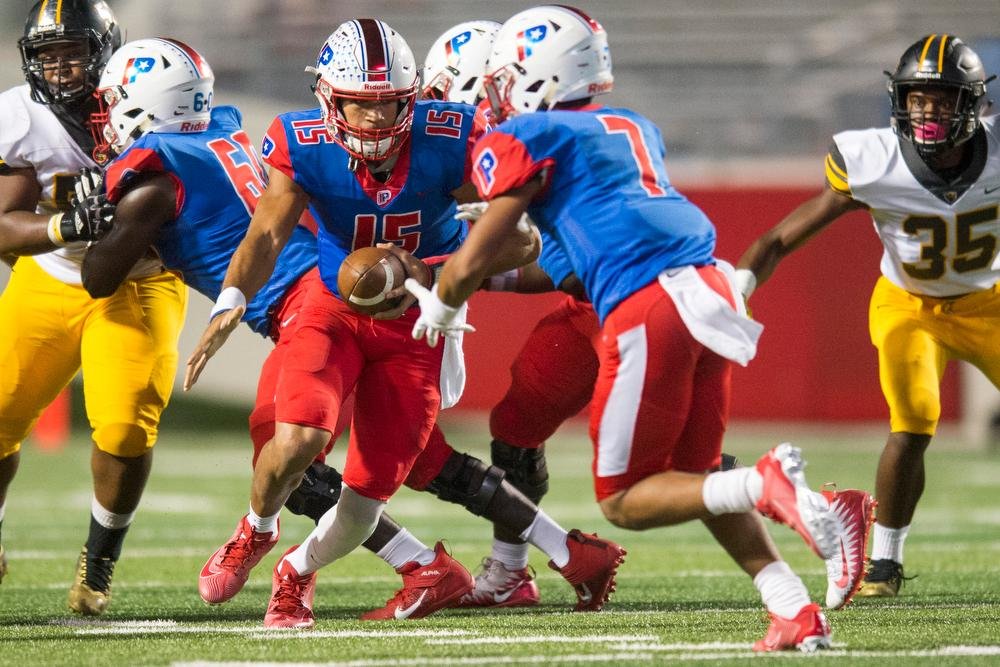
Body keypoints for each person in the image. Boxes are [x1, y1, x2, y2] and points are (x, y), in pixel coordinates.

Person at [406, 5, 846, 652]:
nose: (493, 98)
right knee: (698, 478)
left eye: (501, 83)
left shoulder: (527, 136)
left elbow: (492, 249)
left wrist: (443, 297)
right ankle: (794, 609)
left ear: (532, 78)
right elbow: (573, 254)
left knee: (624, 498)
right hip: (707, 287)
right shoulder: (630, 125)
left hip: (644, 304)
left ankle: (765, 480)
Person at [184, 18, 625, 628]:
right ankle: (256, 529)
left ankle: (295, 571)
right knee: (298, 438)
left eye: (388, 102)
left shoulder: (454, 136)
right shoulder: (300, 139)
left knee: (366, 499)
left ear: (411, 97)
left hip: (418, 325)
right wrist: (231, 299)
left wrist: (432, 269)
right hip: (331, 309)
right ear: (329, 98)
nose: (375, 118)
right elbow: (265, 234)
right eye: (360, 104)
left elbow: (523, 243)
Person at [735, 34, 998, 599]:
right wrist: (740, 286)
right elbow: (779, 238)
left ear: (973, 103)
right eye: (917, 99)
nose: (927, 112)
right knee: (914, 420)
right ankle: (884, 562)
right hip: (910, 303)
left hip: (989, 301)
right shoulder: (873, 160)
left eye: (942, 99)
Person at [0, 0, 188, 615]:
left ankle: (99, 557)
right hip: (52, 276)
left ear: (104, 51)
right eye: (47, 54)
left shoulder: (157, 100)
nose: (59, 66)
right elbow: (3, 225)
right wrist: (66, 225)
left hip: (142, 281)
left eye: (73, 51)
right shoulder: (19, 116)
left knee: (127, 426)